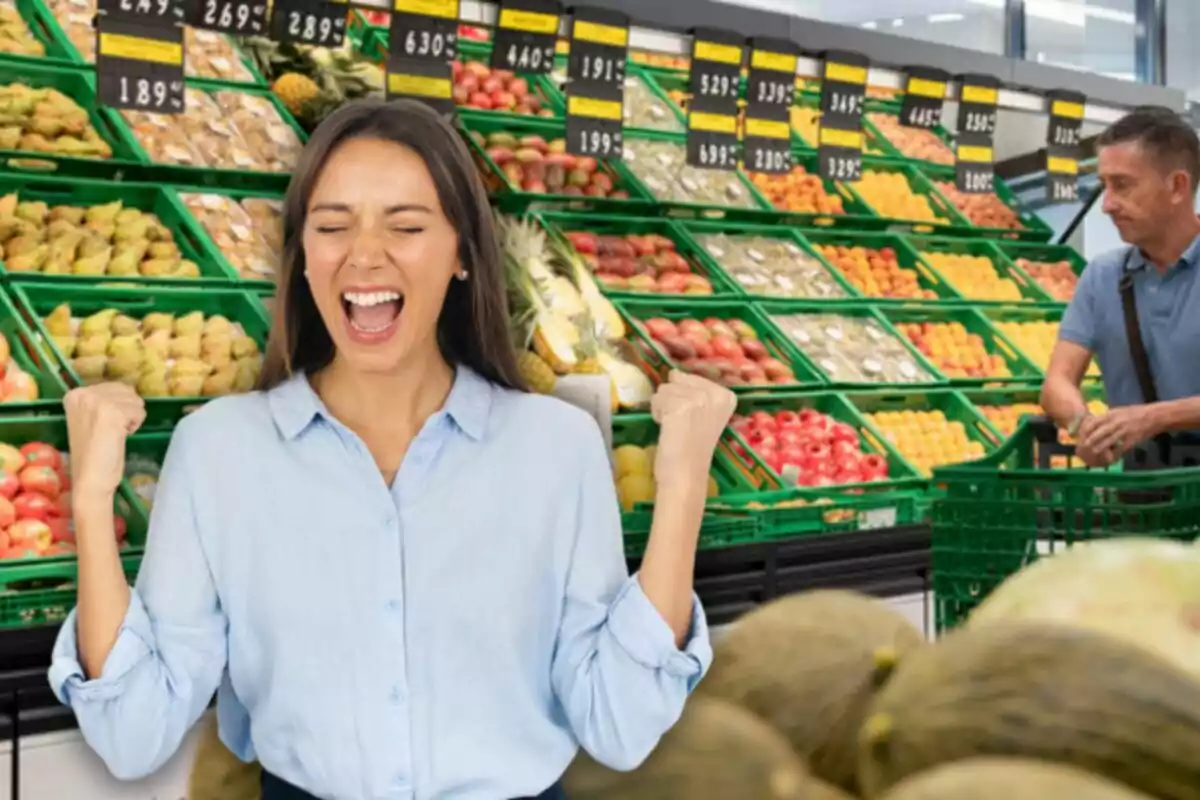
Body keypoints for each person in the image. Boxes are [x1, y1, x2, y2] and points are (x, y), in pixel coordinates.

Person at [49, 99, 736, 800]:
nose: (364, 255)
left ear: (464, 252)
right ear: (304, 258)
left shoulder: (556, 447)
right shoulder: (219, 450)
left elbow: (617, 724)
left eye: (405, 226)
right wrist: (91, 502)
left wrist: (682, 487)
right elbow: (133, 736)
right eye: (332, 226)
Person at [1042, 105, 1200, 467]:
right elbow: (1057, 383)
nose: (1107, 205)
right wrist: (1084, 425)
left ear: (1177, 187)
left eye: (1122, 185)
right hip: (1143, 497)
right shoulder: (1103, 276)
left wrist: (1153, 417)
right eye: (1104, 186)